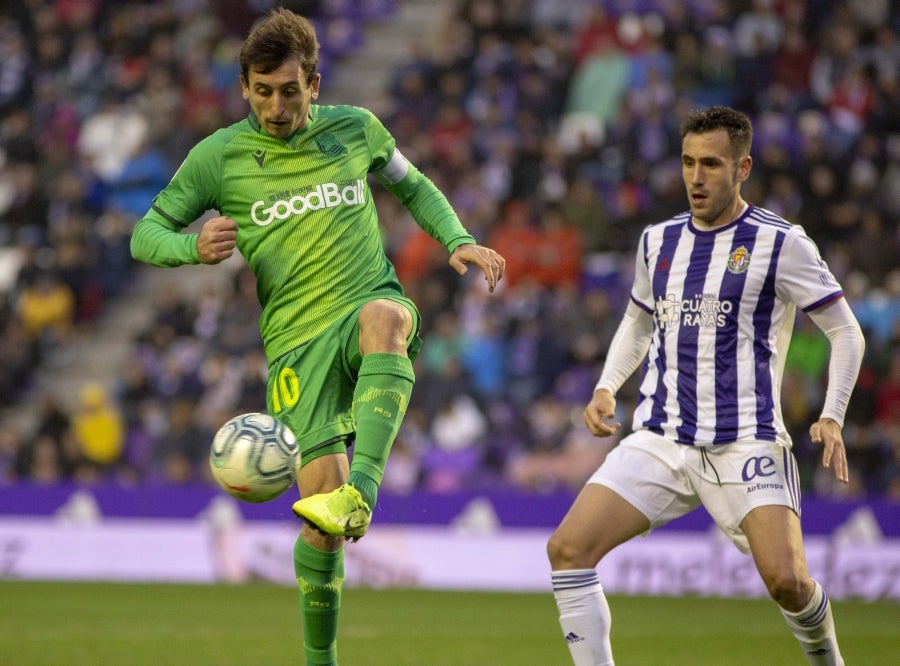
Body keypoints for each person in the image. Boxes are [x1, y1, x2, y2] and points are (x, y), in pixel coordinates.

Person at [130, 9, 505, 665]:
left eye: (290, 89)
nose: (277, 105)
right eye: (263, 90)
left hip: (367, 301)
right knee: (319, 534)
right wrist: (191, 247)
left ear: (315, 83)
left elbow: (412, 187)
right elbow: (144, 234)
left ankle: (362, 493)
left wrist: (458, 240)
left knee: (385, 320)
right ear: (245, 87)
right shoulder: (218, 159)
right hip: (295, 349)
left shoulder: (355, 129)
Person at [547, 106, 864, 666]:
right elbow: (639, 320)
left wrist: (832, 412)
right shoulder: (657, 241)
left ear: (743, 168)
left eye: (712, 165)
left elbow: (846, 332)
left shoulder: (780, 243)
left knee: (788, 582)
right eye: (689, 162)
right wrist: (605, 387)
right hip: (663, 436)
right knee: (568, 549)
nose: (696, 177)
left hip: (747, 440)